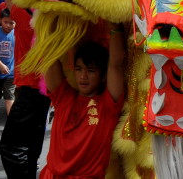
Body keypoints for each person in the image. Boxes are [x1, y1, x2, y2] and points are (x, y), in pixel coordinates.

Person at [39, 26, 125, 179]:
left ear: (103, 76)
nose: (83, 76)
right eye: (79, 69)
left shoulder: (108, 105)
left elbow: (115, 65)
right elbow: (48, 56)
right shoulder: (63, 97)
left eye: (91, 70)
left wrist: (116, 22)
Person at [0, 0, 52, 178]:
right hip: (43, 89)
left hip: (30, 89)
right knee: (31, 145)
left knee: (11, 148)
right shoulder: (53, 17)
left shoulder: (26, 13)